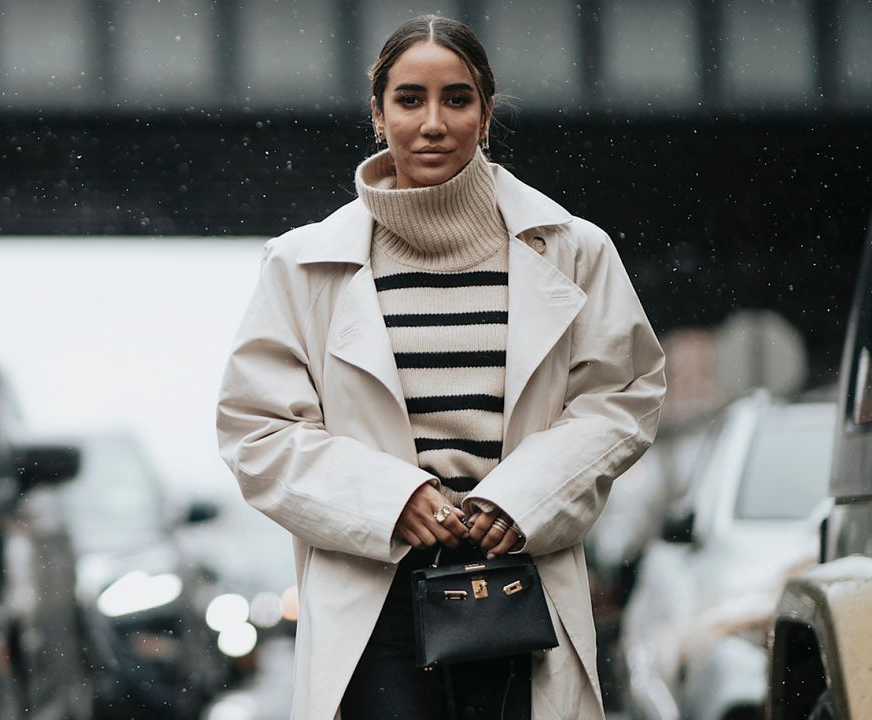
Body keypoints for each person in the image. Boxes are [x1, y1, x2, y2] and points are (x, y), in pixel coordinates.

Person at [217, 14, 665, 720]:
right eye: (409, 99)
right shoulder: (300, 264)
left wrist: (522, 499)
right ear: (377, 114)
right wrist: (393, 499)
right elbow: (258, 430)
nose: (433, 122)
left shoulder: (574, 249)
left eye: (456, 99)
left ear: (486, 114)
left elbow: (624, 394)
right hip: (374, 590)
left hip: (518, 577)